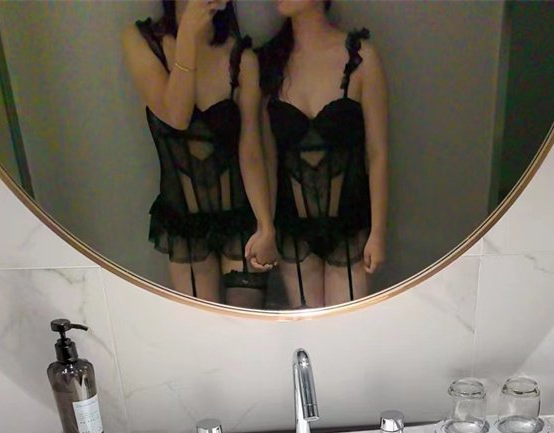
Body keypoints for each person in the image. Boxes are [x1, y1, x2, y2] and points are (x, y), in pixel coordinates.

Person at [123, 0, 277, 306]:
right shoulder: (142, 41)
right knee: (202, 330)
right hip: (184, 224)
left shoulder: (241, 58)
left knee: (247, 327)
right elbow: (177, 115)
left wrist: (266, 225)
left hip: (239, 217)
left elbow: (251, 152)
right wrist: (188, 34)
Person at [258, 0, 388, 308]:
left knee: (347, 331)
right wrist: (267, 228)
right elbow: (267, 160)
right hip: (293, 229)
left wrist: (378, 232)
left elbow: (377, 154)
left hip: (350, 225)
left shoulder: (361, 58)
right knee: (308, 330)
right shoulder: (269, 63)